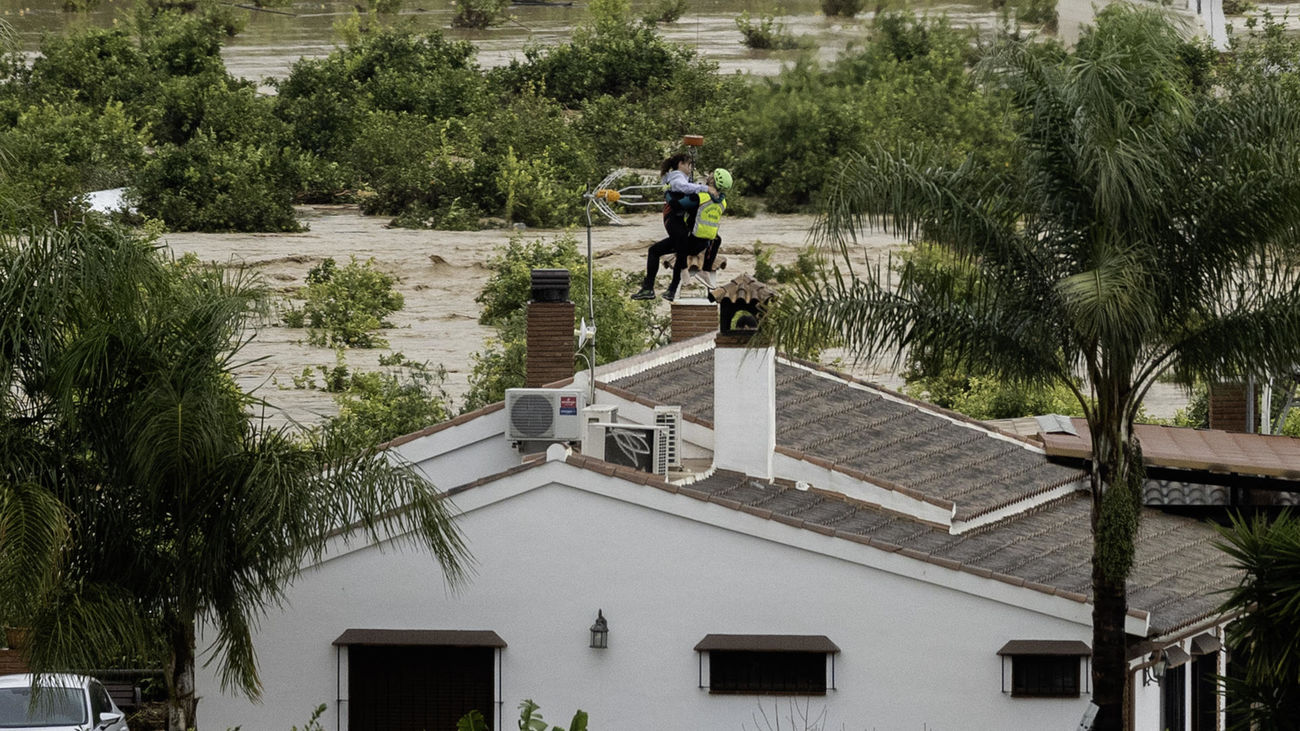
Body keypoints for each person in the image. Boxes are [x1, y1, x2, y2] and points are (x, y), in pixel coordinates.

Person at [632, 160, 731, 302]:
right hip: (704, 243)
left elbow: (677, 204)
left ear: (712, 180)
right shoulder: (722, 202)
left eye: (711, 175)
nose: (708, 175)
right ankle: (672, 291)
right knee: (681, 244)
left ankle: (649, 288)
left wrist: (667, 191)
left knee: (655, 251)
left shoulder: (700, 197)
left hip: (689, 239)